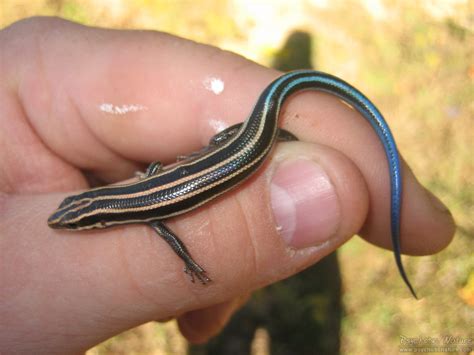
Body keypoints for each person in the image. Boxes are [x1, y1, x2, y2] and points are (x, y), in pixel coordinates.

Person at [0, 17, 455, 353]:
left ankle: (278, 137)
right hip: (239, 142)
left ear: (99, 216)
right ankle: (276, 133)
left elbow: (173, 237)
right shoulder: (139, 200)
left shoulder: (151, 216)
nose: (71, 221)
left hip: (249, 148)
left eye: (78, 218)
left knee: (269, 122)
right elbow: (157, 168)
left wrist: (192, 267)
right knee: (255, 121)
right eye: (75, 218)